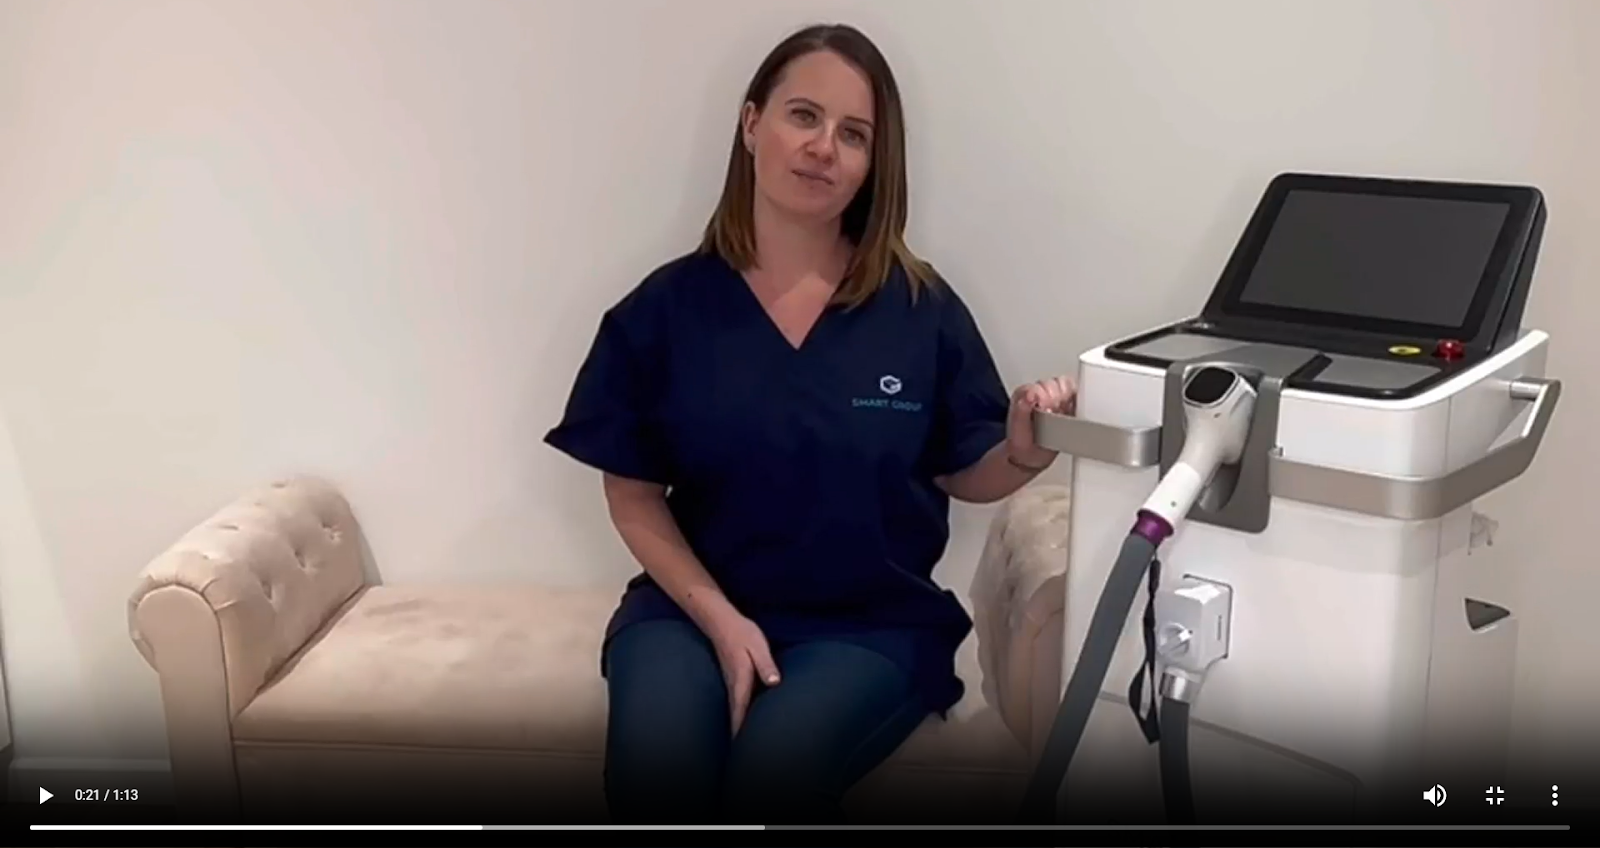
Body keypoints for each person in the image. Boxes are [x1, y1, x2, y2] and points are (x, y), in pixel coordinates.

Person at [543, 22, 1077, 824]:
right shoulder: (663, 311)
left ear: (871, 166)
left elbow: (967, 471)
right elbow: (634, 495)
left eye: (853, 134)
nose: (825, 147)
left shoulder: (920, 309)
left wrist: (1024, 450)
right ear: (752, 123)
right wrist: (722, 622)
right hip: (689, 613)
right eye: (804, 116)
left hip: (868, 625)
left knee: (773, 781)